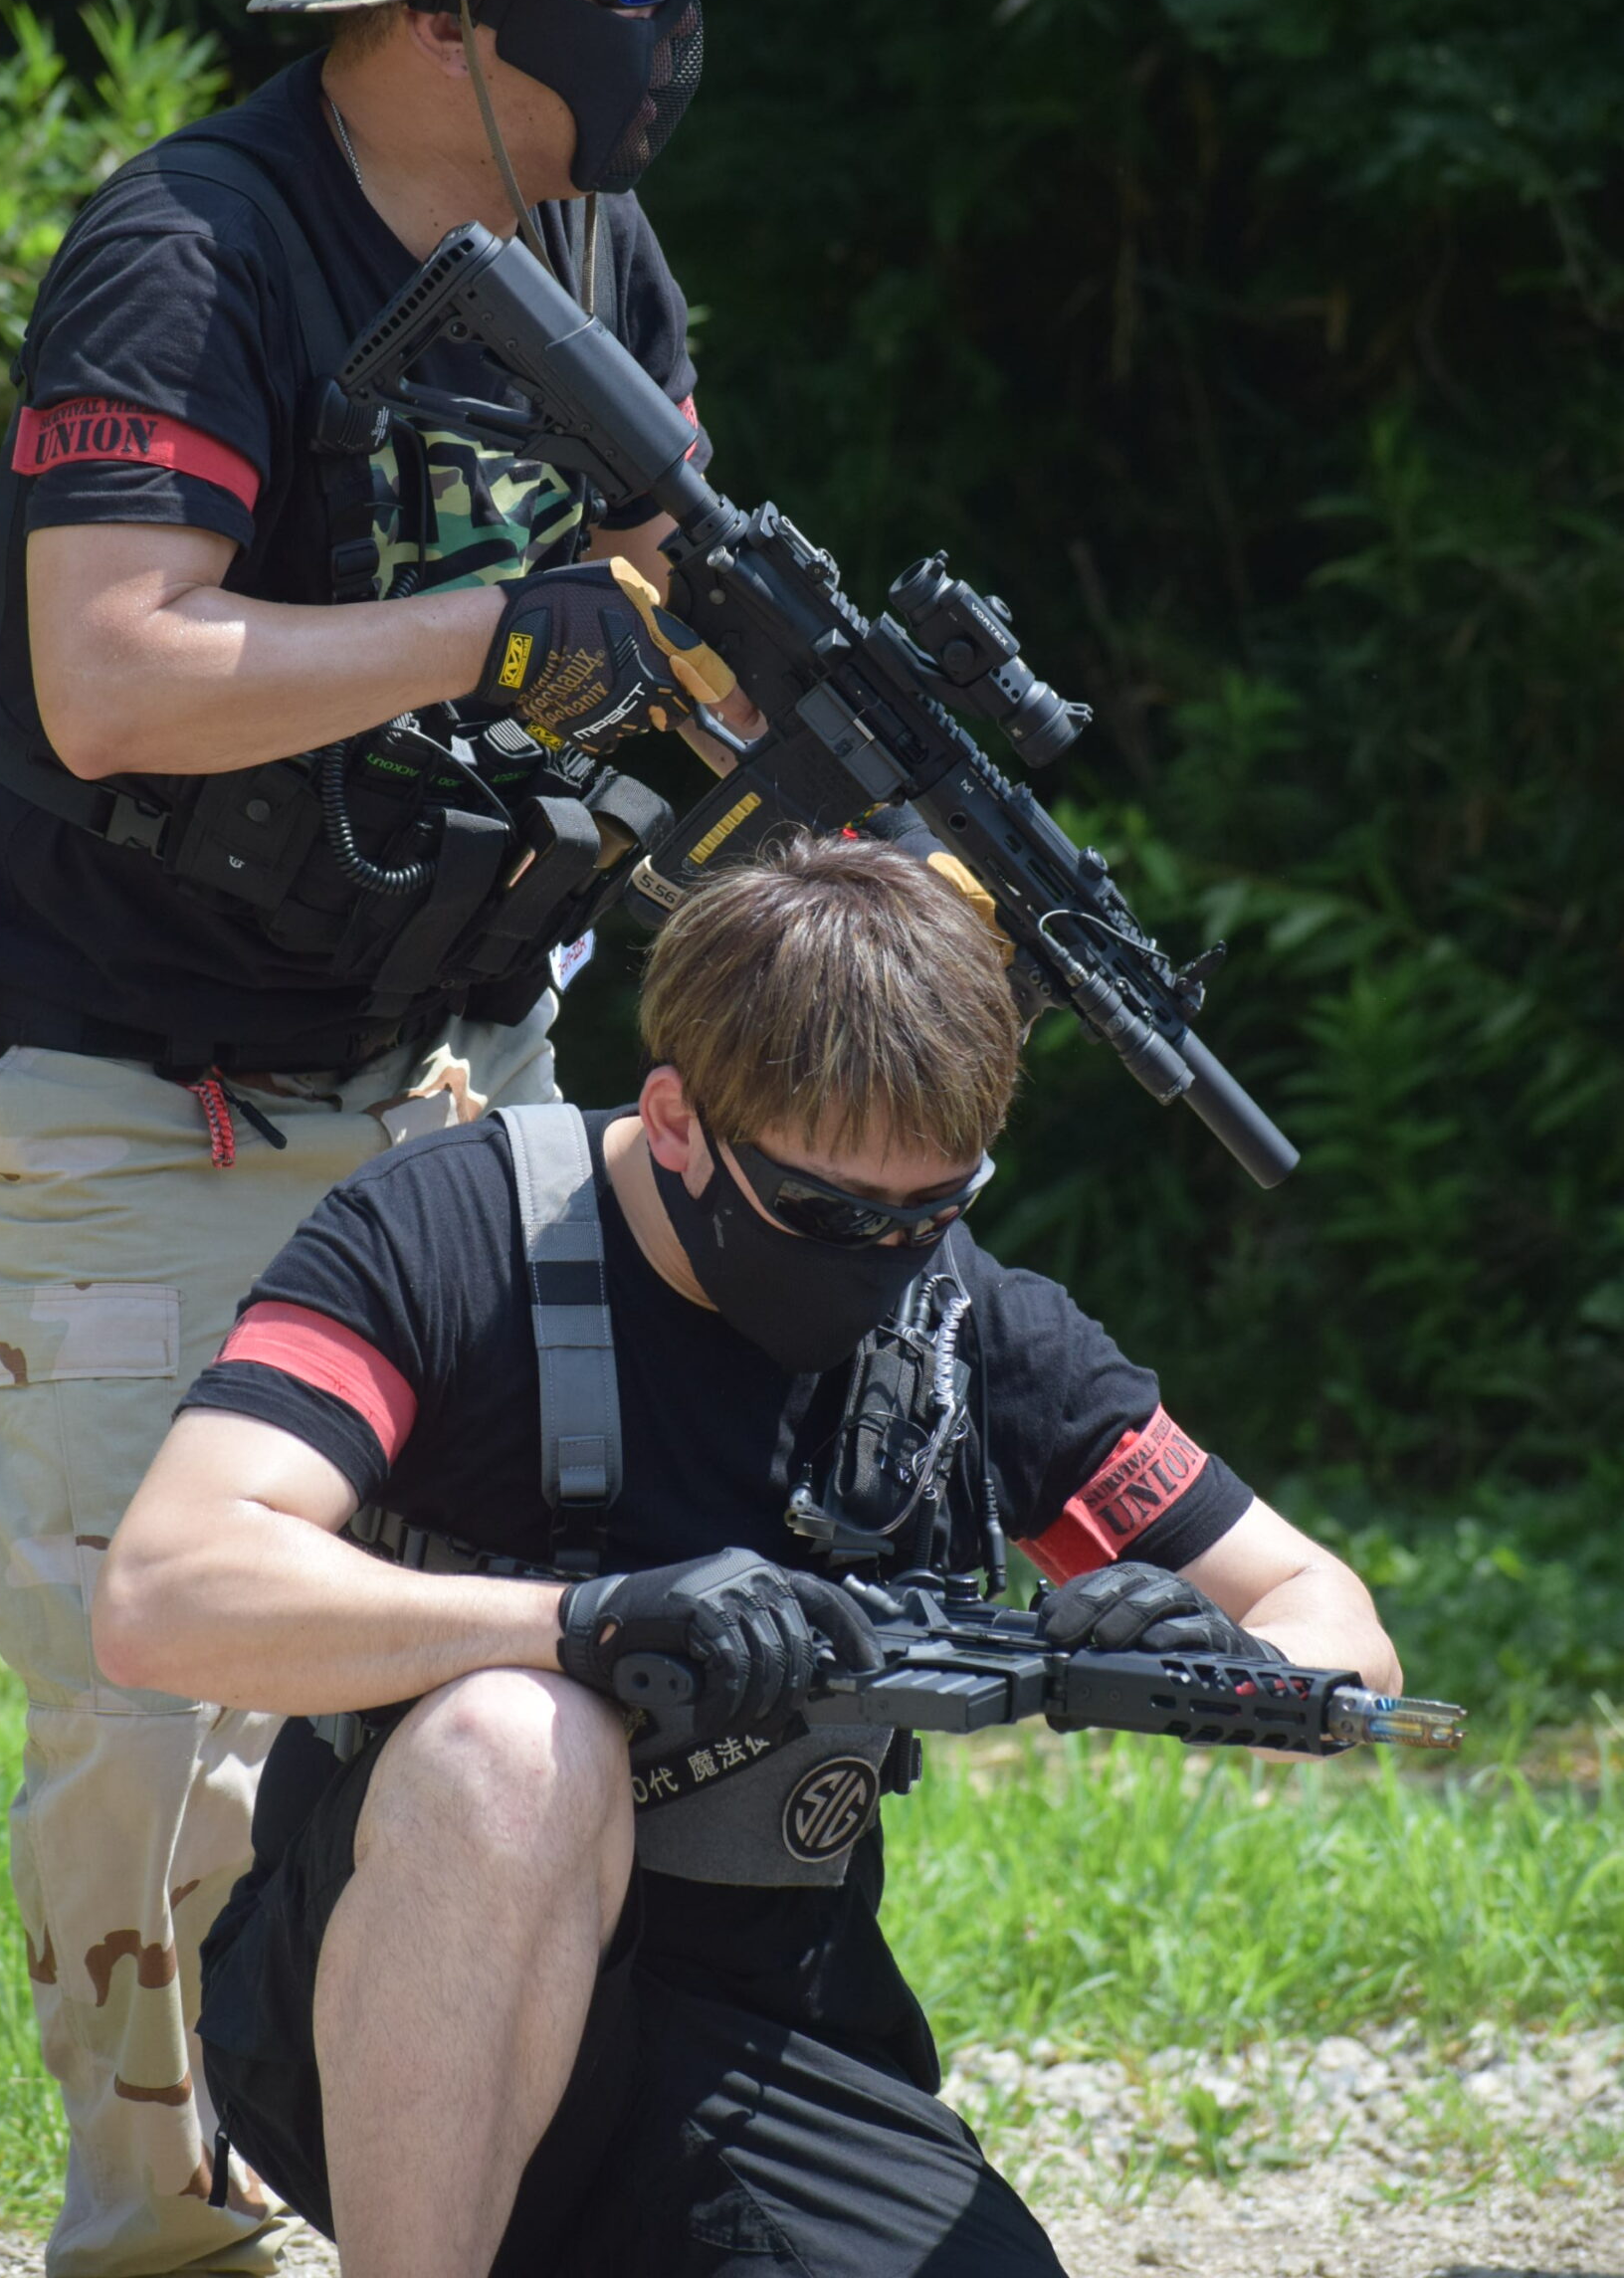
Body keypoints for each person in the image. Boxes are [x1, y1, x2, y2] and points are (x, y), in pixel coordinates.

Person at [0, 0, 766, 2270]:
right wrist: (501, 630)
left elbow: (673, 591)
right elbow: (113, 673)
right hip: (143, 1098)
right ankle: (172, 2236)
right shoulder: (197, 254)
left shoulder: (589, 243)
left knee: (518, 1688)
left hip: (461, 1088)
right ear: (436, 11)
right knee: (170, 1743)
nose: (664, 15)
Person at [96, 836, 1405, 2278]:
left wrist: (1217, 1654)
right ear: (677, 1120)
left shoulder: (976, 1329)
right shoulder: (451, 1235)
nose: (886, 1258)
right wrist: (581, 1624)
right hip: (391, 1991)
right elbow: (167, 1590)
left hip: (758, 2036)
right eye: (831, 1214)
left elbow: (1340, 1628)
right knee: (513, 1738)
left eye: (935, 1209)